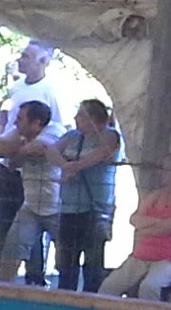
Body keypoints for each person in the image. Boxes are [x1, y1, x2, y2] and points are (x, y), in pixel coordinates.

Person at [0, 44, 64, 280]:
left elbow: (33, 151)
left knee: (65, 256)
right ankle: (3, 289)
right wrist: (20, 149)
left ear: (37, 123)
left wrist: (17, 152)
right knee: (11, 251)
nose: (15, 122)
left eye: (20, 119)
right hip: (31, 206)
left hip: (58, 207)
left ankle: (48, 287)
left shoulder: (53, 130)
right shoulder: (20, 128)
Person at [100, 151, 171, 301]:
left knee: (149, 286)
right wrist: (163, 223)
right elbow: (135, 219)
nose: (162, 173)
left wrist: (148, 227)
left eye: (167, 169)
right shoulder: (156, 195)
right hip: (143, 255)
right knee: (109, 286)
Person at [49, 99, 122, 293]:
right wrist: (65, 165)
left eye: (81, 115)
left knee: (93, 261)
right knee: (66, 261)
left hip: (95, 208)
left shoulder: (109, 135)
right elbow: (51, 150)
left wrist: (74, 167)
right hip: (69, 207)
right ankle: (65, 298)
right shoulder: (72, 136)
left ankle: (90, 299)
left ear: (93, 118)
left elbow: (103, 153)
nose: (76, 118)